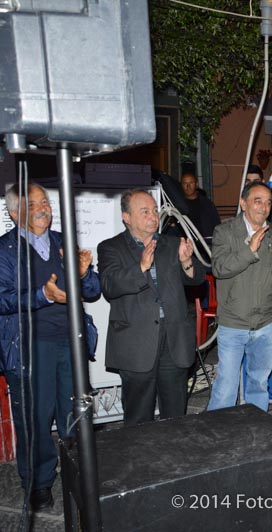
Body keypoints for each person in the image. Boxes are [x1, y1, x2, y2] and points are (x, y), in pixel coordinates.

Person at [0, 183, 100, 511]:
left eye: (45, 202)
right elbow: (2, 300)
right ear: (15, 213)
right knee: (36, 421)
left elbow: (93, 288)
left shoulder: (62, 241)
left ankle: (78, 475)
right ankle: (38, 484)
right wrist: (43, 296)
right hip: (30, 348)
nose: (44, 208)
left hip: (70, 342)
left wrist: (83, 273)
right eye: (34, 204)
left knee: (75, 414)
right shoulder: (5, 251)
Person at [98, 189, 204, 426]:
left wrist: (187, 262)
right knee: (138, 416)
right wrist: (141, 267)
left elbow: (196, 280)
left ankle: (174, 458)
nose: (153, 216)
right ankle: (138, 461)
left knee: (175, 413)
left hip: (173, 338)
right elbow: (109, 286)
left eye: (155, 210)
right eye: (144, 211)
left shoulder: (172, 243)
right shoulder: (110, 248)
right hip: (136, 341)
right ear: (126, 217)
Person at [207, 181, 272, 412]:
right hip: (233, 322)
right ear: (243, 203)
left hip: (265, 322)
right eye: (257, 201)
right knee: (226, 386)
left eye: (268, 202)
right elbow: (219, 268)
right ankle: (216, 435)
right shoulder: (224, 232)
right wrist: (249, 251)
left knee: (259, 382)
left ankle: (257, 430)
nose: (263, 207)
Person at [180, 171, 221, 243]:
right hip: (185, 246)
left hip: (205, 245)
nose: (188, 186)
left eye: (191, 183)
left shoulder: (207, 204)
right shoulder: (177, 205)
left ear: (196, 184)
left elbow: (217, 226)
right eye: (185, 183)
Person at [245, 164, 272, 229]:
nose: (252, 185)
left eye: (256, 181)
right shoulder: (242, 202)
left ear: (262, 182)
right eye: (248, 181)